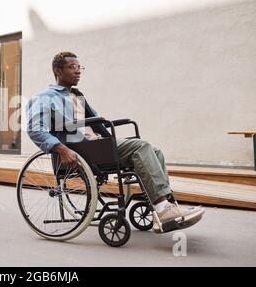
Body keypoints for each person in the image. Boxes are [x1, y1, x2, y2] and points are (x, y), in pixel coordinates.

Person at [26, 51, 204, 233]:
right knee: (141, 147)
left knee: (154, 151)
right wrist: (62, 150)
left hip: (96, 145)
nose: (78, 71)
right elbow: (34, 129)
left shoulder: (77, 96)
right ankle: (162, 208)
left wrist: (109, 134)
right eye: (73, 67)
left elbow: (96, 122)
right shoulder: (45, 97)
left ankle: (167, 206)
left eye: (80, 67)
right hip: (80, 150)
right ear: (58, 71)